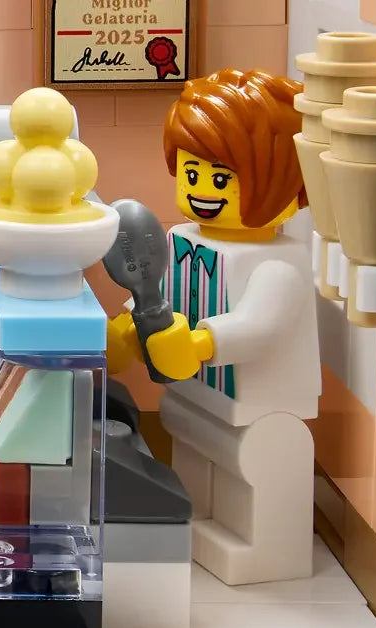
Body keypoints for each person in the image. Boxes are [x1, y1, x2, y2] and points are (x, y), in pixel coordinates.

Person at [109, 69, 321, 585]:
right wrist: (129, 330)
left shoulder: (279, 264)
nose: (203, 190)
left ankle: (258, 544)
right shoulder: (183, 240)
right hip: (198, 395)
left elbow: (260, 326)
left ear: (287, 186)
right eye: (192, 173)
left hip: (261, 408)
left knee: (255, 462)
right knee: (195, 452)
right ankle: (196, 515)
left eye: (221, 179)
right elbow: (161, 296)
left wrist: (202, 344)